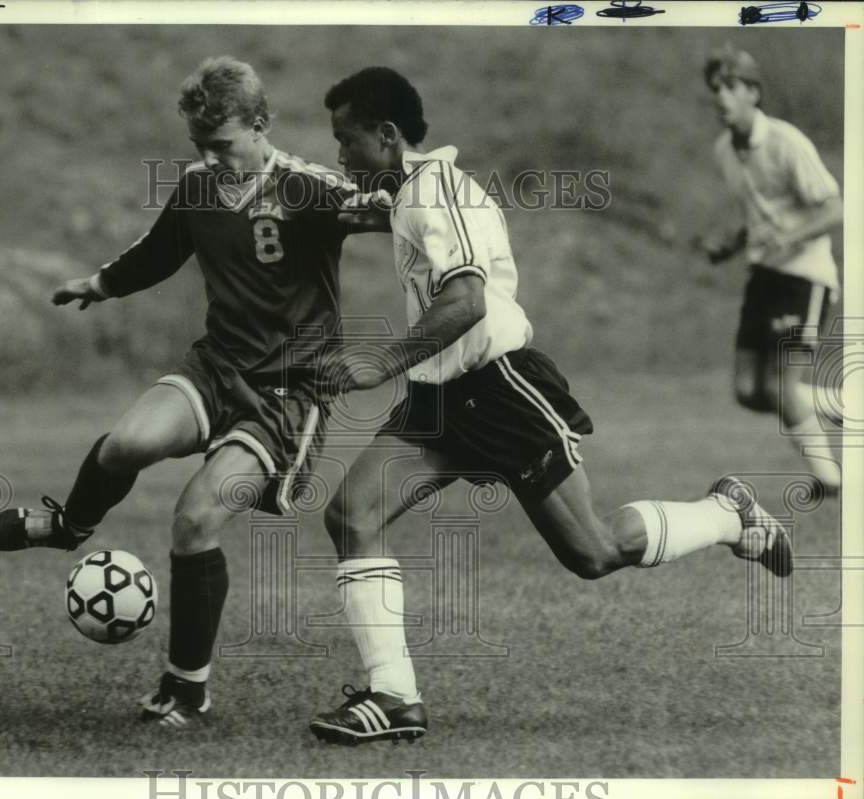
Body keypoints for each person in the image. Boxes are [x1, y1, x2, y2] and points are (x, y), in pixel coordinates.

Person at [308, 66, 793, 746]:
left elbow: (467, 298)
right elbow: (405, 220)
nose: (341, 156)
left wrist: (377, 363)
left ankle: (726, 513)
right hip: (441, 399)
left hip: (498, 387)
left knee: (592, 553)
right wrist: (357, 209)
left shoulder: (434, 193)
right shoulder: (414, 191)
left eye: (347, 141)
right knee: (352, 512)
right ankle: (395, 697)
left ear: (387, 136)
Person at [0, 56, 374, 727]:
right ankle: (70, 526)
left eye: (222, 145)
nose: (210, 159)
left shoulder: (310, 189)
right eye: (199, 146)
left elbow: (387, 213)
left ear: (261, 124)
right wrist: (97, 285)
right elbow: (158, 253)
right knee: (126, 443)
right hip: (216, 366)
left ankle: (186, 689)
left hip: (286, 396)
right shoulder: (195, 188)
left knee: (194, 520)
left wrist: (418, 202)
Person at [699, 45, 843, 494]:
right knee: (748, 391)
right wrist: (732, 243)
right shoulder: (724, 150)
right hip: (763, 274)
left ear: (753, 92)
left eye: (732, 87)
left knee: (783, 387)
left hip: (804, 274)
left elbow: (835, 208)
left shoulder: (786, 142)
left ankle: (832, 480)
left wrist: (792, 238)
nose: (722, 97)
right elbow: (759, 213)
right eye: (716, 88)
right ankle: (841, 403)